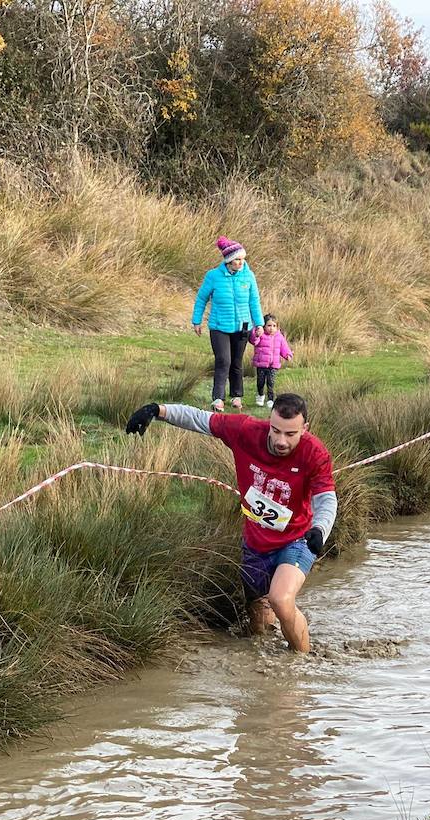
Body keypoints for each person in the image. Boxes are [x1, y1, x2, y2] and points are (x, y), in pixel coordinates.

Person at [125, 393, 336, 652]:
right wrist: (156, 410)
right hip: (256, 543)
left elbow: (326, 499)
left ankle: (301, 667)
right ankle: (265, 669)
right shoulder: (245, 431)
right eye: (276, 431)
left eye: (291, 434)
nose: (281, 441)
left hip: (297, 539)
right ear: (269, 423)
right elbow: (201, 419)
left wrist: (320, 529)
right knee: (259, 624)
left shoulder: (314, 452)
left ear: (305, 428)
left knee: (281, 600)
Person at [192, 236, 264, 412]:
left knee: (237, 363)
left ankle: (237, 396)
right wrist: (196, 320)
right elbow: (202, 298)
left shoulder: (249, 276)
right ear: (228, 260)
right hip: (219, 327)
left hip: (242, 327)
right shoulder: (213, 276)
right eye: (236, 260)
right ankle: (218, 398)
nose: (240, 263)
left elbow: (254, 301)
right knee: (223, 360)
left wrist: (259, 324)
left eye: (242, 259)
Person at [249, 313, 292, 408]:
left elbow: (284, 347)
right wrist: (255, 333)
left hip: (273, 365)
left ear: (277, 327)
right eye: (269, 325)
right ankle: (260, 395)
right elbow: (254, 341)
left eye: (274, 326)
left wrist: (287, 354)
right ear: (264, 326)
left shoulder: (279, 336)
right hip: (261, 364)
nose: (271, 328)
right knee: (260, 382)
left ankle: (270, 399)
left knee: (271, 382)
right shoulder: (261, 335)